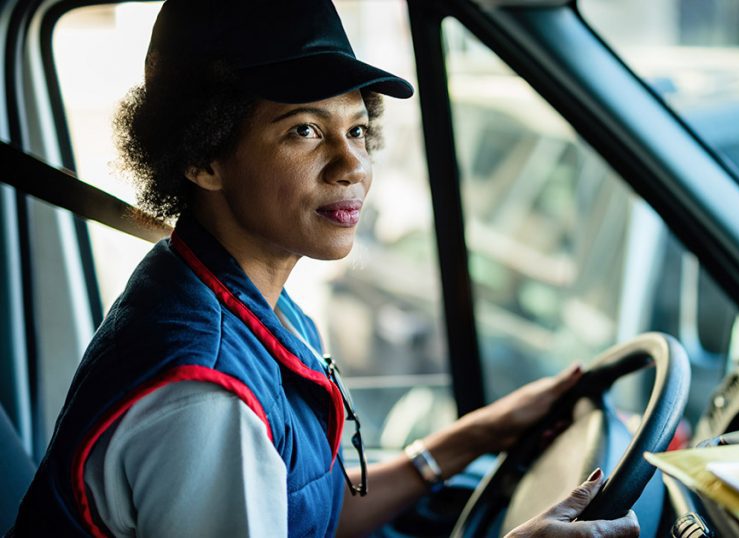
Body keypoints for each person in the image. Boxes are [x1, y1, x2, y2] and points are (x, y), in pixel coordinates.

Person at [11, 0, 641, 536]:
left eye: (359, 128)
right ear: (203, 159)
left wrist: (473, 437)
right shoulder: (205, 400)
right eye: (306, 131)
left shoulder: (243, 299)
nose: (353, 164)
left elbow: (307, 508)